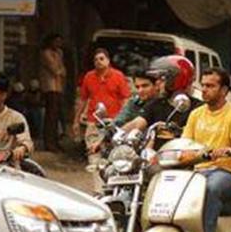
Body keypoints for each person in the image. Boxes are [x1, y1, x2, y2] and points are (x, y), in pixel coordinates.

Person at [181, 68, 231, 232]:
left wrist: (230, 150)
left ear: (224, 90)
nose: (204, 90)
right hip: (198, 171)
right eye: (203, 85)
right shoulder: (195, 115)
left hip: (227, 172)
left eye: (210, 86)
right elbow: (185, 144)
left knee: (210, 189)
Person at [73, 48, 131, 192]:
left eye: (101, 58)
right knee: (94, 156)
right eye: (96, 59)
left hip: (113, 123)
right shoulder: (89, 77)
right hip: (94, 121)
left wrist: (123, 120)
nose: (98, 62)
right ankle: (99, 191)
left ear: (108, 60)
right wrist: (76, 120)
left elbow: (126, 99)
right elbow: (82, 99)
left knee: (113, 156)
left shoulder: (118, 76)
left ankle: (112, 188)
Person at [121, 56, 202, 149]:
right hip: (156, 159)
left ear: (176, 80)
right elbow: (137, 123)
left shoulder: (198, 107)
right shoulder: (157, 104)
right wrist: (116, 133)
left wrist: (178, 131)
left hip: (184, 158)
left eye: (162, 79)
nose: (157, 83)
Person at [39, 33, 66, 151]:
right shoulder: (46, 53)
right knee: (50, 116)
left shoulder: (59, 53)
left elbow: (63, 69)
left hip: (59, 86)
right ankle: (49, 142)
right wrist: (60, 70)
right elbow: (54, 68)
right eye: (56, 41)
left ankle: (56, 140)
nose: (58, 44)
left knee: (57, 116)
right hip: (50, 86)